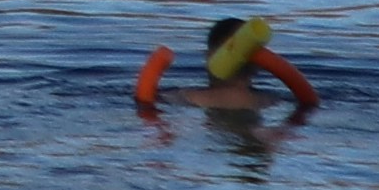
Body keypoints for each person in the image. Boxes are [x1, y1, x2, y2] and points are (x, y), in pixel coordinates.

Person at [135, 17, 318, 117]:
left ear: (208, 57)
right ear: (260, 63)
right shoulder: (273, 102)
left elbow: (145, 107)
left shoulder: (176, 98)